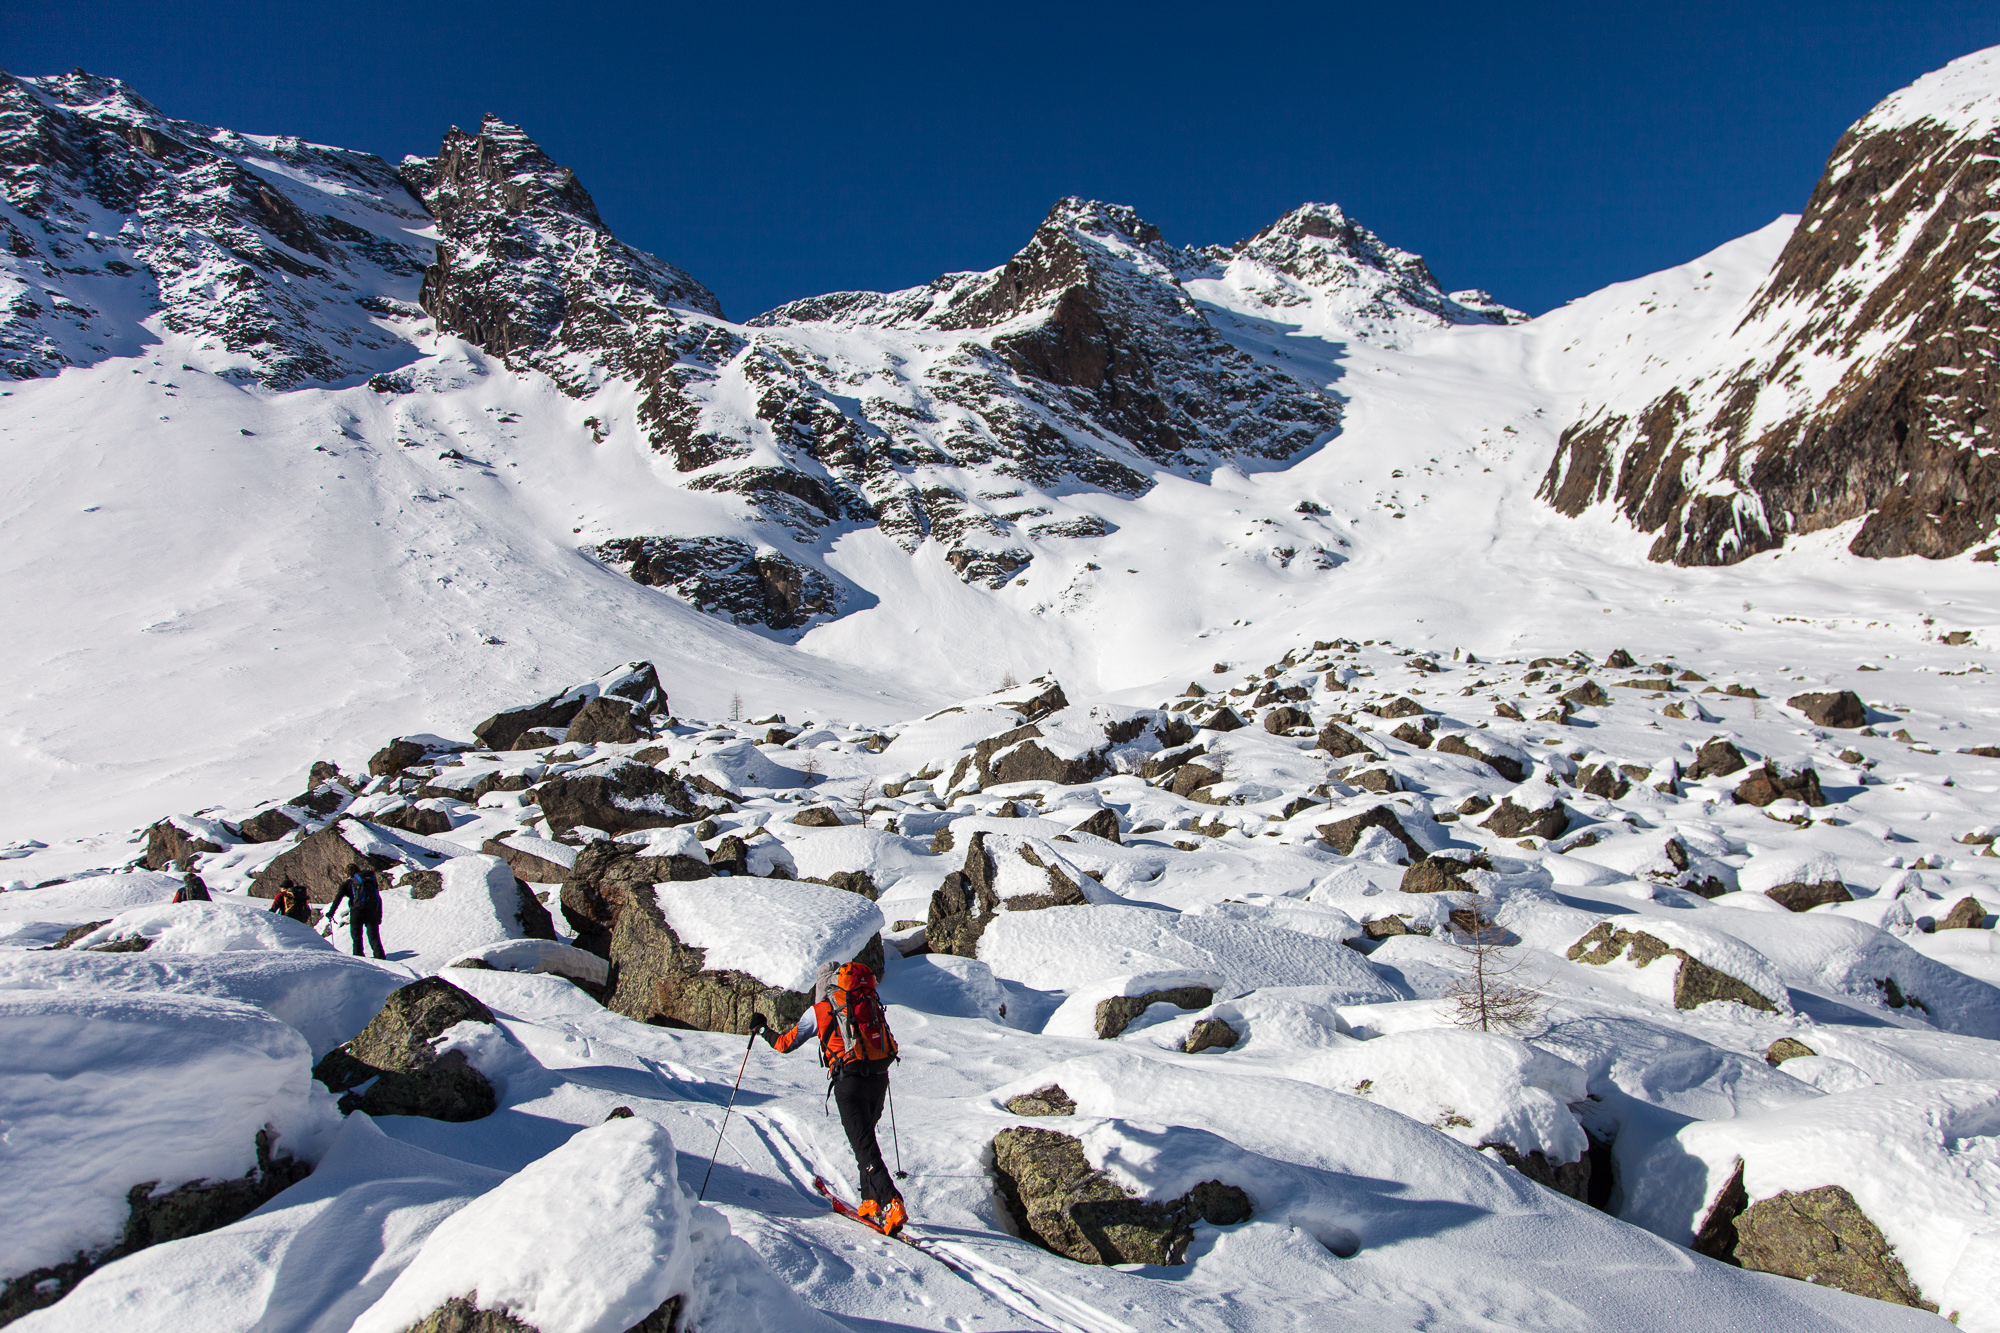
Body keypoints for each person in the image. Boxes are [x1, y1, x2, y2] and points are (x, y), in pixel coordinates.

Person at [754, 960, 904, 1234]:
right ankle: (870, 1201)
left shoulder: (820, 1010)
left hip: (849, 1082)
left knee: (864, 1147)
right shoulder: (866, 1001)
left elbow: (785, 1044)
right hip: (879, 1077)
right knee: (865, 1138)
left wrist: (763, 1030)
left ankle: (891, 1201)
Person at [327, 868, 387, 960]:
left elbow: (338, 898)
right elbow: (377, 897)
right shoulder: (369, 882)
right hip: (371, 910)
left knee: (357, 937)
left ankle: (359, 957)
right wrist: (378, 915)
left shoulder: (347, 884)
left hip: (357, 912)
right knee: (374, 936)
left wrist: (331, 912)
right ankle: (380, 956)